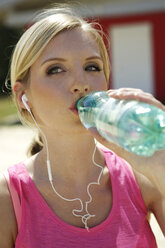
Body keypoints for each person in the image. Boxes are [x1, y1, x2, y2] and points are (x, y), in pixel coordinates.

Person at [0, 5, 165, 248]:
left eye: (92, 67)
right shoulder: (9, 198)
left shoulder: (142, 177)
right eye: (56, 69)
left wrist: (160, 168)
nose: (81, 83)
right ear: (25, 97)